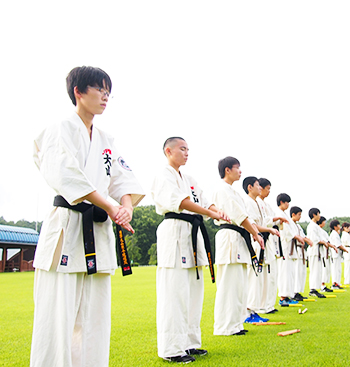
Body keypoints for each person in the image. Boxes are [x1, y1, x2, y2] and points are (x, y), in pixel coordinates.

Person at [31, 66, 145, 367]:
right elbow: (66, 176)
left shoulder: (107, 138)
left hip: (99, 231)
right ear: (78, 92)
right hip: (68, 229)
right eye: (99, 89)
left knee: (95, 320)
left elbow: (124, 180)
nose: (105, 96)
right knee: (58, 319)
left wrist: (126, 207)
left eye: (109, 91)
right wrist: (110, 206)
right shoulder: (60, 129)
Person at [151, 137, 229, 363]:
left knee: (194, 292)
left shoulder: (190, 179)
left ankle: (190, 343)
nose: (187, 153)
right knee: (174, 293)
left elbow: (205, 202)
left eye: (188, 149)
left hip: (192, 234)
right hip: (174, 230)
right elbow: (182, 202)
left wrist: (218, 211)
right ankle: (172, 348)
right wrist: (211, 214)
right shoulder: (164, 174)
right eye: (182, 149)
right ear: (168, 151)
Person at [211, 157, 264, 336]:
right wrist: (256, 234)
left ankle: (236, 324)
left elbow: (245, 217)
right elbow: (239, 216)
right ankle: (224, 326)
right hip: (229, 235)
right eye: (237, 168)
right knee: (228, 284)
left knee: (240, 285)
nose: (240, 171)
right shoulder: (222, 190)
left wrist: (254, 232)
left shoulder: (233, 192)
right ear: (227, 169)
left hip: (240, 237)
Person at [241, 176, 279, 321]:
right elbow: (252, 225)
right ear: (250, 187)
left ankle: (254, 309)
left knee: (260, 278)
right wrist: (269, 230)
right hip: (255, 240)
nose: (260, 188)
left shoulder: (257, 203)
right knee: (254, 278)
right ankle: (248, 311)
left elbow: (263, 222)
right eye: (258, 186)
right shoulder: (248, 202)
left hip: (262, 240)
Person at [256, 178, 288, 313]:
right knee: (263, 276)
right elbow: (263, 221)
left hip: (271, 241)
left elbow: (272, 221)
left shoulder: (266, 205)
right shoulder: (256, 202)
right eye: (267, 188)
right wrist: (275, 220)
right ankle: (262, 306)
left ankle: (269, 305)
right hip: (261, 238)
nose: (269, 191)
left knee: (272, 275)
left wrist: (276, 221)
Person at [274, 197, 305, 306]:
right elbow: (286, 230)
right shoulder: (278, 212)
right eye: (287, 202)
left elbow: (290, 229)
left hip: (289, 246)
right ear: (282, 202)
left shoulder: (284, 214)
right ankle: (283, 297)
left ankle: (288, 295)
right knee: (284, 272)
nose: (288, 205)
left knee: (290, 272)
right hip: (284, 245)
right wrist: (296, 236)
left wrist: (296, 236)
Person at [306, 208, 336, 297]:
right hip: (314, 251)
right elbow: (314, 239)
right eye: (318, 214)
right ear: (314, 215)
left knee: (318, 271)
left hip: (319, 251)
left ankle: (316, 288)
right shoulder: (311, 226)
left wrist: (324, 242)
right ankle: (313, 289)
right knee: (314, 270)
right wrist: (323, 242)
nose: (319, 216)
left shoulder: (315, 226)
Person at [292, 207, 313, 301]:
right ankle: (294, 292)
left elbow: (303, 236)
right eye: (299, 214)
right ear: (293, 214)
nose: (300, 216)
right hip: (295, 249)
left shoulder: (298, 226)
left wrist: (308, 240)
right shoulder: (290, 224)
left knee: (301, 272)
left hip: (301, 250)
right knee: (296, 272)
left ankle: (298, 291)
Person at [329, 220, 348, 289]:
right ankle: (335, 283)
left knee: (338, 269)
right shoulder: (334, 234)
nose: (340, 227)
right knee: (335, 269)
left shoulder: (336, 233)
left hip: (337, 254)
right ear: (335, 227)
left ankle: (337, 283)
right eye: (338, 225)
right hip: (335, 254)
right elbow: (338, 245)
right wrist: (345, 249)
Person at [317, 217, 333, 292]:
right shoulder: (318, 230)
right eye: (324, 221)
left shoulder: (323, 231)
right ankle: (321, 285)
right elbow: (325, 241)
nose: (325, 223)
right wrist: (333, 246)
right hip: (321, 252)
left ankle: (323, 285)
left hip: (325, 252)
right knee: (322, 269)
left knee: (326, 269)